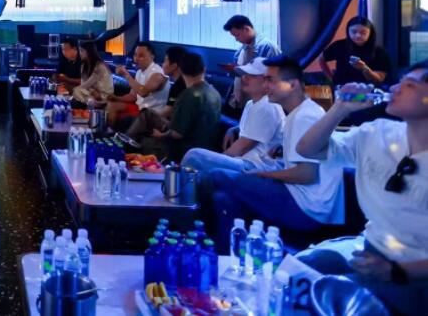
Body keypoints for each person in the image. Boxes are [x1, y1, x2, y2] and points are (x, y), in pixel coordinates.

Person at [293, 61, 428, 315]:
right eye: (399, 82)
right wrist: (339, 109)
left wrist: (397, 271)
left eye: (410, 85)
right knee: (297, 274)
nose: (395, 88)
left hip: (416, 276)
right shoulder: (378, 133)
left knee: (327, 301)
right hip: (370, 252)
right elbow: (307, 149)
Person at [208, 56, 344, 246]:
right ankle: (229, 254)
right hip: (302, 198)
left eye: (270, 80)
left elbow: (307, 174)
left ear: (292, 84)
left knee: (218, 175)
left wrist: (263, 175)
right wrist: (282, 150)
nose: (266, 85)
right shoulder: (300, 113)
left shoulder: (304, 117)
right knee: (223, 199)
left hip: (308, 206)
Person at [182, 57, 284, 187]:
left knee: (194, 156)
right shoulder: (251, 104)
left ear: (267, 82)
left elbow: (241, 148)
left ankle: (181, 193)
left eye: (252, 76)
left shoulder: (267, 106)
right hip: (245, 161)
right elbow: (253, 128)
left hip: (257, 166)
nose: (244, 78)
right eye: (244, 75)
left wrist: (216, 159)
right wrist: (234, 129)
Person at [148, 52, 221, 161]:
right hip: (207, 150)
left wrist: (160, 135)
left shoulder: (188, 95)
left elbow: (177, 134)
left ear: (181, 71)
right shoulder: (215, 93)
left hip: (183, 152)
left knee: (144, 138)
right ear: (204, 69)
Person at [125, 45, 187, 140]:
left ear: (174, 66)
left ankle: (127, 142)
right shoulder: (180, 83)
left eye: (165, 61)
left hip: (177, 130)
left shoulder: (177, 86)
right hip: (175, 125)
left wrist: (152, 116)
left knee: (146, 115)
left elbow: (167, 112)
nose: (163, 64)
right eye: (135, 55)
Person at [105, 42, 170, 127]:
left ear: (152, 57)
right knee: (111, 105)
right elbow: (133, 96)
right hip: (139, 108)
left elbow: (143, 92)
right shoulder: (139, 72)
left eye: (141, 56)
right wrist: (115, 97)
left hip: (151, 113)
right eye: (135, 55)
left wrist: (126, 75)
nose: (136, 59)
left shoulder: (157, 74)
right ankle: (107, 133)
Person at [222, 15, 281, 108]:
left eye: (237, 35)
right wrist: (234, 70)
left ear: (246, 29)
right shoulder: (240, 50)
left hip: (262, 101)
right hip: (242, 100)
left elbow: (275, 76)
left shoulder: (268, 47)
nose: (236, 39)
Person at [319, 16, 392, 87]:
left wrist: (364, 68)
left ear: (370, 33)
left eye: (363, 33)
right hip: (341, 87)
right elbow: (321, 59)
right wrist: (330, 77)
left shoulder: (379, 51)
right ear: (348, 31)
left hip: (366, 89)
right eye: (354, 32)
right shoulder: (339, 45)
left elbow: (379, 79)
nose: (358, 35)